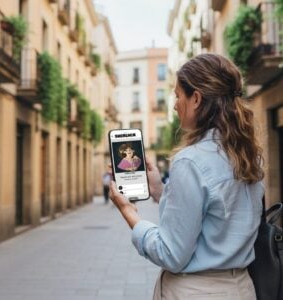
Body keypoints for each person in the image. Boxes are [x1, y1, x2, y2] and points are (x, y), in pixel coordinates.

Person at [109, 53, 264, 299]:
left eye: (177, 95)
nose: (174, 104)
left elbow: (170, 253)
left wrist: (128, 212)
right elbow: (216, 217)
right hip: (242, 288)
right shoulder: (248, 155)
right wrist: (160, 190)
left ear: (196, 99)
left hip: (197, 291)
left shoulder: (190, 161)